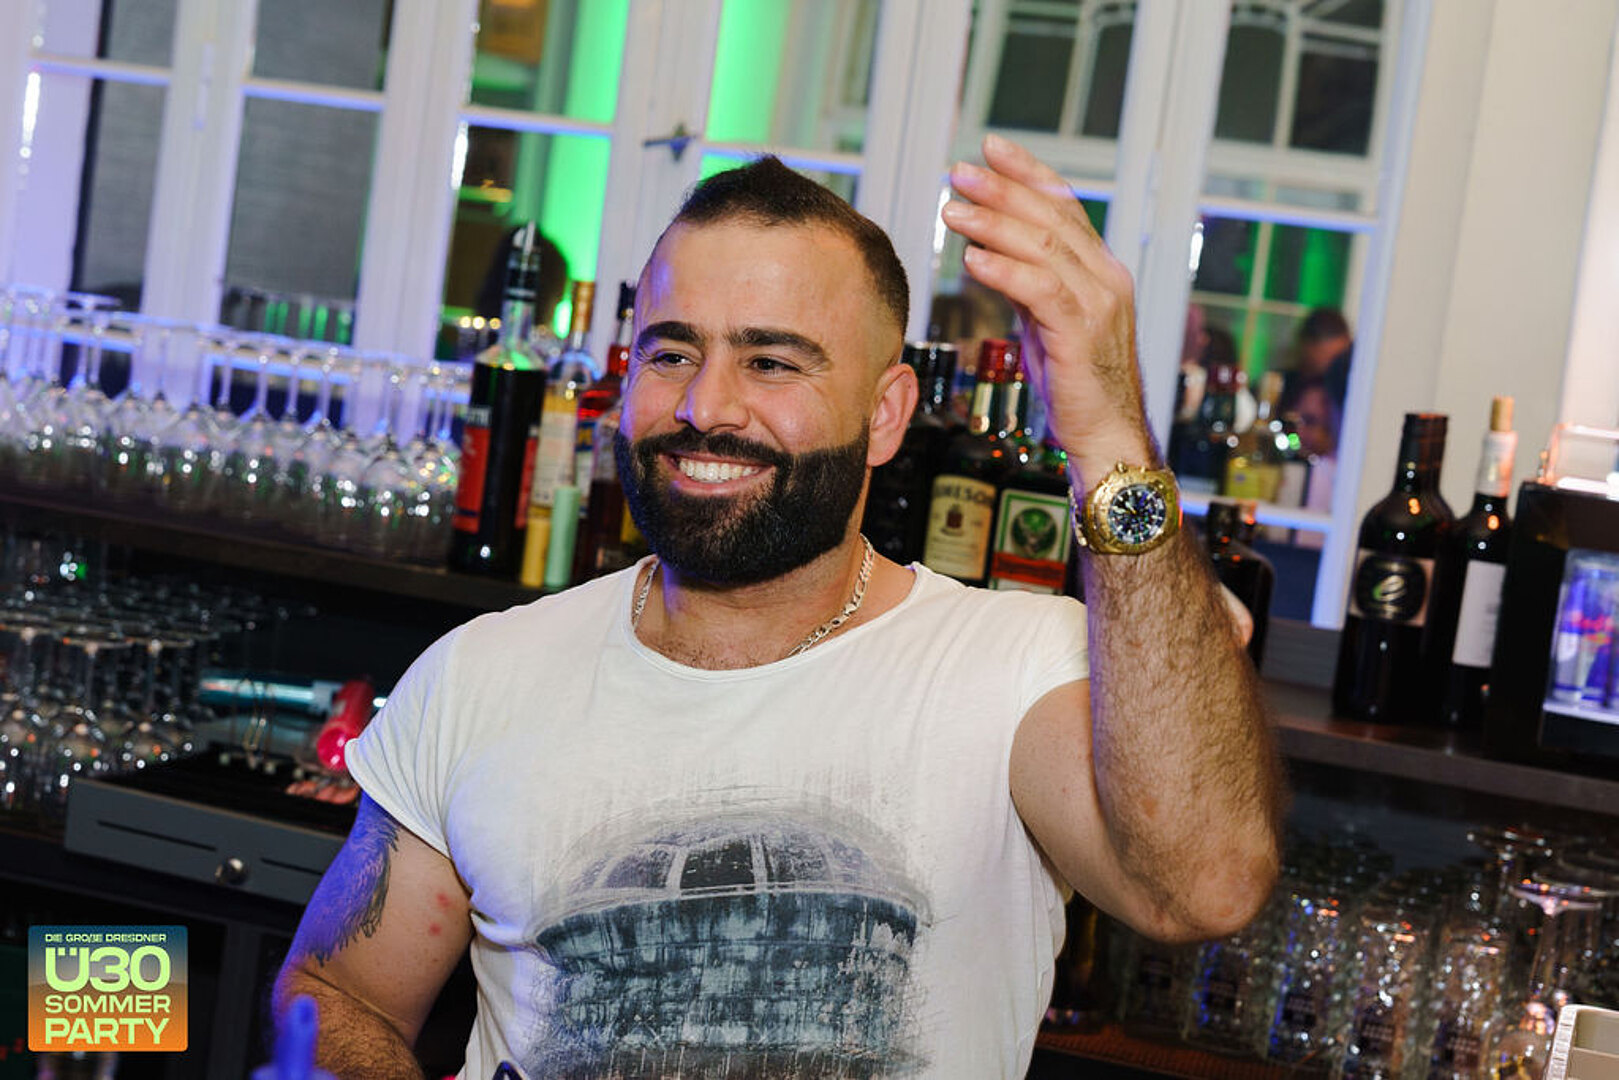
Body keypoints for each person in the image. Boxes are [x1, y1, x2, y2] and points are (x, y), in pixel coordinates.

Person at [273, 134, 1284, 1079]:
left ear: (884, 414)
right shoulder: (481, 671)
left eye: (770, 362)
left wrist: (1107, 434)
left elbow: (1200, 886)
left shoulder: (1018, 669)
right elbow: (335, 993)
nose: (705, 406)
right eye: (671, 353)